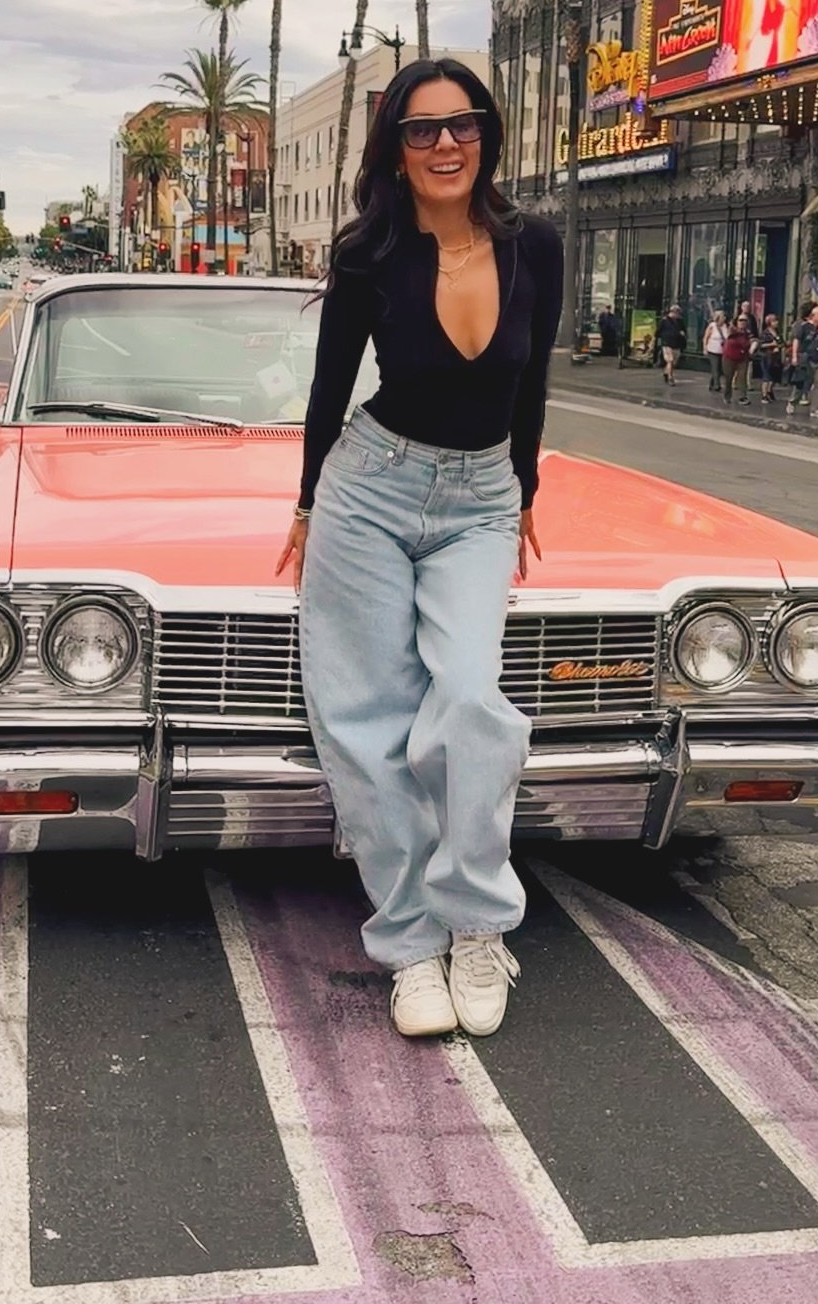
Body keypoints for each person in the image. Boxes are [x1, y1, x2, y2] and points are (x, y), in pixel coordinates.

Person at [277, 58, 563, 1042]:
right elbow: (329, 385)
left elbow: (530, 388)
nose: (446, 144)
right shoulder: (370, 252)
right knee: (366, 723)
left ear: (487, 135)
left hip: (480, 496)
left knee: (473, 700)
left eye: (463, 125)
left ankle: (477, 925)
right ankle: (407, 943)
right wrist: (311, 501)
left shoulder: (537, 247)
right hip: (370, 487)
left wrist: (522, 486)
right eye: (422, 129)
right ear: (395, 150)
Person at [787, 301, 818, 417]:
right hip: (806, 358)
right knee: (802, 383)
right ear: (812, 315)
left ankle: (815, 409)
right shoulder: (804, 327)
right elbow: (796, 340)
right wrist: (795, 356)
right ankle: (793, 401)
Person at [722, 316, 754, 404]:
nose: (743, 322)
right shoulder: (732, 331)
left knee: (742, 377)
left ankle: (742, 397)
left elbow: (752, 340)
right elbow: (729, 332)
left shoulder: (747, 333)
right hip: (729, 357)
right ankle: (727, 396)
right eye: (740, 320)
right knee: (729, 378)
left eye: (745, 320)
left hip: (742, 358)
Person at [756, 313, 783, 402]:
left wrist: (780, 346)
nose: (776, 323)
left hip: (775, 357)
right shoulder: (765, 333)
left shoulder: (777, 332)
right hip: (767, 357)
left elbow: (781, 342)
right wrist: (771, 344)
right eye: (774, 321)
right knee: (766, 376)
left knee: (774, 376)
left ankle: (769, 391)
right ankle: (764, 395)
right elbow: (760, 345)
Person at [658, 304, 687, 383]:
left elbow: (684, 330)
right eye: (676, 312)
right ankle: (671, 377)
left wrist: (682, 333)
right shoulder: (664, 321)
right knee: (670, 360)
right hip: (667, 343)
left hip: (677, 344)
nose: (677, 314)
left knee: (673, 362)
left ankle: (666, 372)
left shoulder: (680, 321)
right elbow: (658, 331)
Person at [704, 309, 728, 391]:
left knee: (719, 368)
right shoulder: (712, 326)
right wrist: (705, 348)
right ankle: (717, 385)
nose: (724, 318)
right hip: (712, 349)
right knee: (715, 367)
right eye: (723, 316)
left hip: (722, 350)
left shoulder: (725, 326)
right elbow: (706, 337)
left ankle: (712, 383)